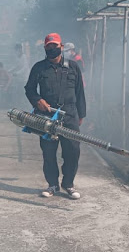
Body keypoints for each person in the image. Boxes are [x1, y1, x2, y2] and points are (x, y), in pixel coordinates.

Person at [25, 32, 86, 200]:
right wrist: (38, 101)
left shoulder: (73, 67)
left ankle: (68, 184)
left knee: (72, 151)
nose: (52, 49)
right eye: (49, 46)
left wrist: (81, 114)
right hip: (47, 116)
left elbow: (80, 92)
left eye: (55, 46)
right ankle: (52, 184)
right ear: (45, 48)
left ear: (62, 46)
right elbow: (29, 89)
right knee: (49, 152)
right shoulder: (39, 68)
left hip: (70, 115)